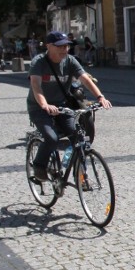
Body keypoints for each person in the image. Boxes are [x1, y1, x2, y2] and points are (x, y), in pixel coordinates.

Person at [27, 32, 111, 182]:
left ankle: (80, 176)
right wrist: (44, 104)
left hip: (61, 106)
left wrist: (100, 97)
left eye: (66, 46)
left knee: (78, 138)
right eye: (60, 46)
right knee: (52, 138)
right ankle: (39, 166)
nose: (64, 49)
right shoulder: (39, 62)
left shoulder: (70, 61)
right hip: (39, 108)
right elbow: (36, 85)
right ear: (49, 46)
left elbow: (85, 79)